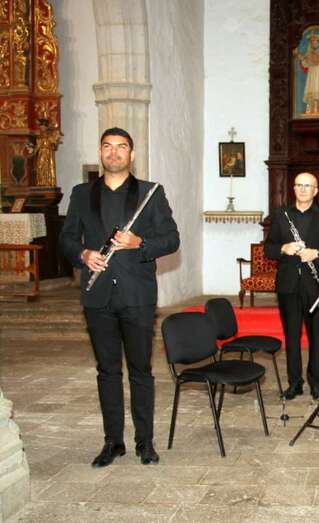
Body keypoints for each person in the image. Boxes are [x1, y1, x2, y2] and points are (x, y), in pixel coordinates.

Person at [59, 127, 180, 468]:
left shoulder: (150, 193)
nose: (114, 153)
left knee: (141, 371)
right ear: (100, 153)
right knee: (107, 372)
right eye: (108, 147)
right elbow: (66, 239)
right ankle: (113, 442)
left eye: (121, 147)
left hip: (137, 295)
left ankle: (145, 442)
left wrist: (139, 243)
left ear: (132, 154)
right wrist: (82, 255)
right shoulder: (82, 193)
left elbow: (171, 238)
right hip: (97, 296)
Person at [265, 172, 319, 400]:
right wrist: (282, 249)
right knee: (292, 337)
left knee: (316, 337)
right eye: (299, 185)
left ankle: (316, 384)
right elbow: (269, 247)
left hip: (315, 286)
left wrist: (317, 253)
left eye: (308, 186)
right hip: (288, 285)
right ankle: (294, 384)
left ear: (316, 191)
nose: (303, 189)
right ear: (294, 188)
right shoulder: (281, 215)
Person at [294, 33, 319, 117]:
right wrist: (299, 56)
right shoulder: (308, 55)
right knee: (311, 90)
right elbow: (305, 64)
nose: (313, 43)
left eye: (315, 41)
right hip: (312, 75)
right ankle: (312, 109)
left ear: (318, 43)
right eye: (312, 42)